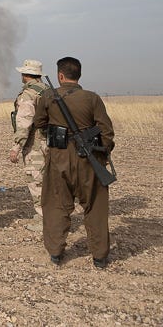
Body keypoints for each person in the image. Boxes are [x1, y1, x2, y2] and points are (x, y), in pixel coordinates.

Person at [33, 57, 115, 268]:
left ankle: (56, 252)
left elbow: (39, 123)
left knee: (55, 204)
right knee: (95, 206)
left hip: (59, 156)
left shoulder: (48, 96)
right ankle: (99, 256)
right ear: (78, 75)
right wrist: (101, 155)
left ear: (60, 75)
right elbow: (106, 132)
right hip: (89, 158)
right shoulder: (92, 98)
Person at [9, 59, 50, 232]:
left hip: (36, 145)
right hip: (51, 142)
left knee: (36, 182)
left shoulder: (28, 94)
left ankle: (44, 220)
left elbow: (24, 124)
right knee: (50, 180)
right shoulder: (48, 90)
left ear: (25, 74)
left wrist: (16, 147)